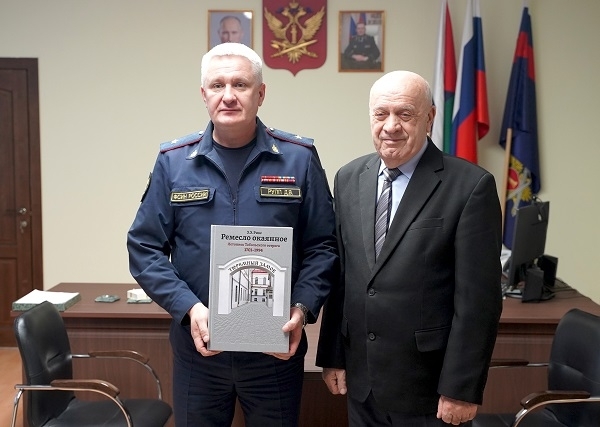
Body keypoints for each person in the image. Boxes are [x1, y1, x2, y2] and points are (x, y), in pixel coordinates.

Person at [127, 42, 338, 427]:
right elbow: (144, 247)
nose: (228, 95)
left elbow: (323, 246)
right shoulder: (174, 162)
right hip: (199, 350)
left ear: (260, 93)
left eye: (240, 84)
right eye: (217, 85)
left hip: (275, 351)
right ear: (203, 94)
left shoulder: (299, 158)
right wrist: (188, 307)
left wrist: (302, 307)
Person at [316, 70, 503, 426]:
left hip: (428, 390)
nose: (391, 126)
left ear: (429, 117)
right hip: (362, 382)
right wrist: (333, 356)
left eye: (405, 114)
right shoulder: (349, 177)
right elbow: (344, 278)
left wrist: (461, 389)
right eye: (381, 114)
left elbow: (479, 302)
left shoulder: (470, 186)